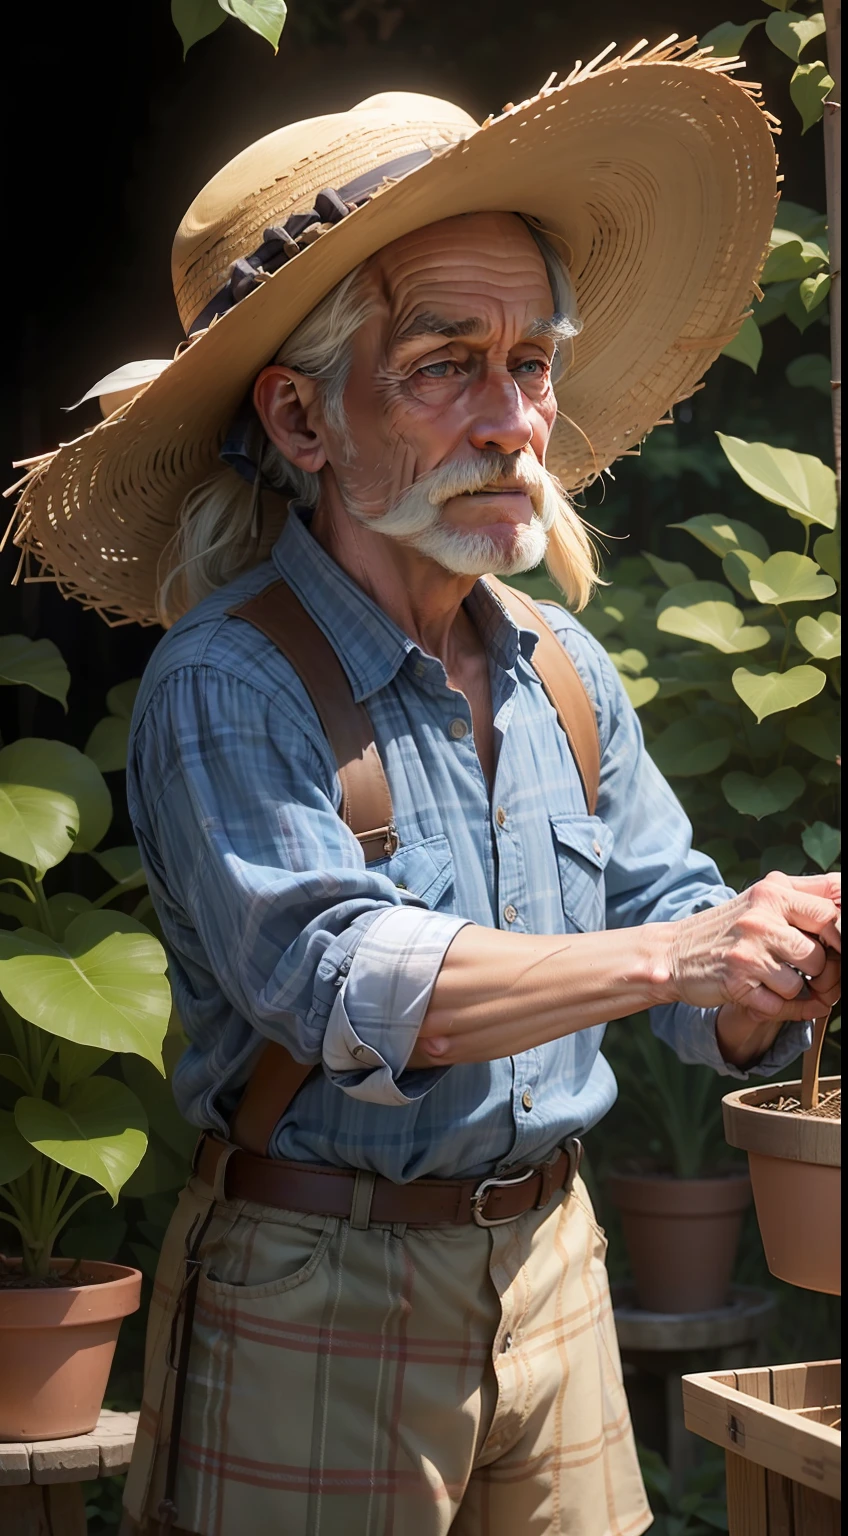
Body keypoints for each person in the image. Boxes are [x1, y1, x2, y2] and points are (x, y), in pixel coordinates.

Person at [10, 39, 841, 1536]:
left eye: (531, 366)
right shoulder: (229, 679)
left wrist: (758, 965)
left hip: (554, 1271)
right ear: (301, 422)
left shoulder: (563, 669)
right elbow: (349, 986)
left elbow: (672, 930)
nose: (517, 421)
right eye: (448, 363)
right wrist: (676, 953)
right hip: (317, 1292)